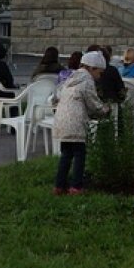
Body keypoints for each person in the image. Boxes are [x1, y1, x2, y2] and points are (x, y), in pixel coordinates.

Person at [53, 50, 111, 195]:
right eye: (99, 72)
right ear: (91, 68)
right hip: (76, 122)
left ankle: (59, 185)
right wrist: (105, 109)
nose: (100, 76)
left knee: (66, 154)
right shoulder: (87, 81)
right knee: (80, 154)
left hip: (61, 121)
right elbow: (93, 103)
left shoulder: (71, 78)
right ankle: (76, 186)